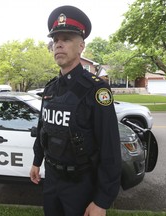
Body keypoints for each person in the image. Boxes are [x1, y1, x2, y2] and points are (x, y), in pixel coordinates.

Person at [30, 5, 122, 216]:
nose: (59, 44)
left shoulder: (96, 89)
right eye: (55, 40)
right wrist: (37, 161)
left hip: (81, 185)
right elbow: (44, 129)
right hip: (51, 179)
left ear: (81, 46)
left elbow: (110, 147)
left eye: (66, 39)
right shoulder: (50, 88)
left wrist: (102, 201)